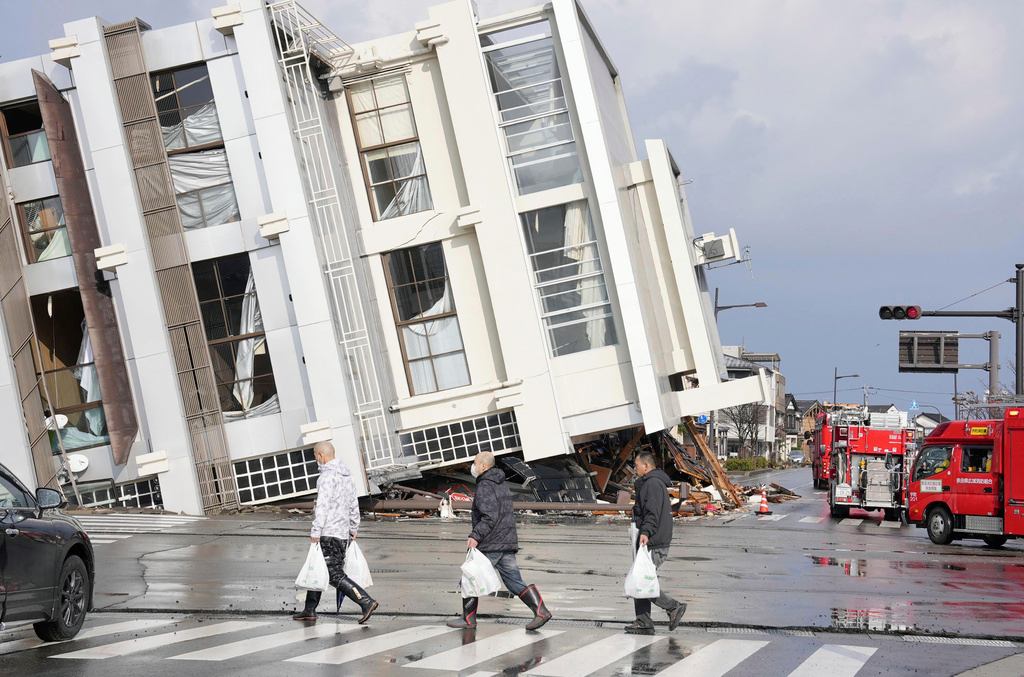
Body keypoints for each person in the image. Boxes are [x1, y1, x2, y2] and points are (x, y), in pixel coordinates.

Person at [447, 451, 552, 631]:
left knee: (470, 577)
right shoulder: (501, 484)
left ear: (483, 466)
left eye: (474, 462)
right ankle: (541, 611)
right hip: (506, 540)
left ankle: (469, 619)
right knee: (514, 581)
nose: (472, 466)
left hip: (491, 542)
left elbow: (489, 516)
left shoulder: (485, 486)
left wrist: (475, 536)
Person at [293, 441, 378, 624]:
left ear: (321, 456)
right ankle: (309, 610)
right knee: (319, 567)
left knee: (334, 574)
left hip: (328, 532)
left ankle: (366, 601)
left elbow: (322, 507)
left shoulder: (326, 478)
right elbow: (353, 504)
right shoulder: (347, 476)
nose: (316, 459)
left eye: (316, 455)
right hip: (342, 534)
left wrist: (315, 531)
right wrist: (354, 527)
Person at [626, 451, 686, 635]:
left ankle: (673, 607)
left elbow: (652, 512)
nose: (635, 469)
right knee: (641, 578)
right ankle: (643, 620)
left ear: (646, 466)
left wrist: (646, 532)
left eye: (637, 465)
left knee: (643, 581)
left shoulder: (651, 484)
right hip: (652, 538)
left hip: (653, 540)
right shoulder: (650, 482)